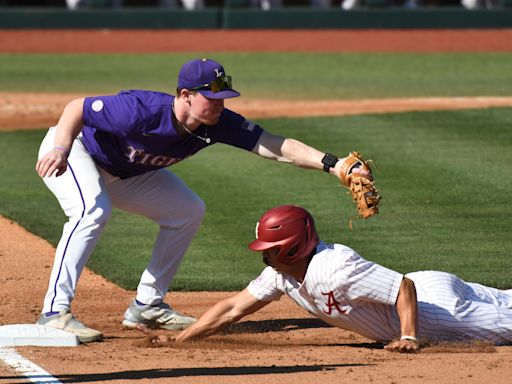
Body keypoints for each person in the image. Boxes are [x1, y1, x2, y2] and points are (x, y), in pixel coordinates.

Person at [35, 58, 362, 343]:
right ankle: (54, 312)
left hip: (127, 172)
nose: (220, 104)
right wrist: (60, 148)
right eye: (212, 97)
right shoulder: (141, 110)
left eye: (223, 97)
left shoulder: (219, 123)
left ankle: (147, 306)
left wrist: (332, 164)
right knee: (91, 211)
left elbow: (275, 145)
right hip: (77, 153)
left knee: (187, 211)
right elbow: (76, 107)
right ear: (186, 96)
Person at [146, 205, 512, 352]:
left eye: (269, 248)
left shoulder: (336, 270)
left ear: (291, 248)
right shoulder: (281, 275)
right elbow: (231, 309)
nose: (263, 254)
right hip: (429, 286)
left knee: (504, 323)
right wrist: (182, 339)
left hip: (437, 311)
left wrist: (409, 336)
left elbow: (403, 287)